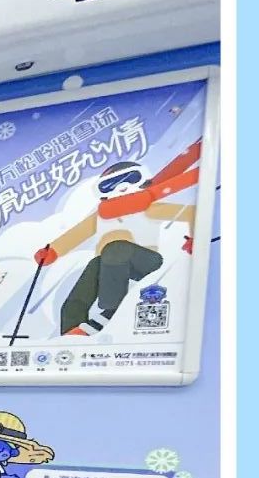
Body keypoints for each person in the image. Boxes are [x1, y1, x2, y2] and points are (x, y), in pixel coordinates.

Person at [34, 143, 201, 336]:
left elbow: (191, 213)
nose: (121, 187)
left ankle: (112, 311)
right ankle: (71, 330)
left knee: (116, 248)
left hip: (145, 262)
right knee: (94, 267)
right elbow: (77, 233)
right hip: (109, 263)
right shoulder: (102, 215)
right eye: (110, 185)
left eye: (131, 178)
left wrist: (195, 237)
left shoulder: (148, 208)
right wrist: (52, 251)